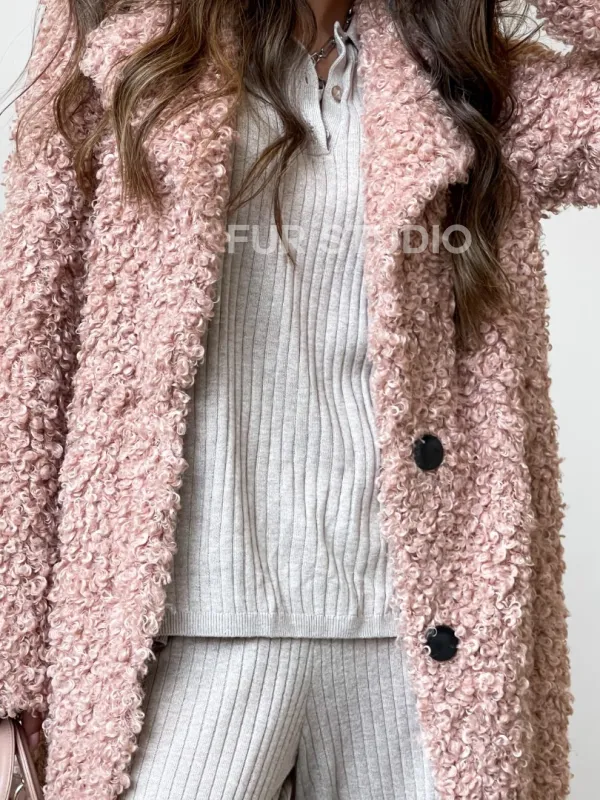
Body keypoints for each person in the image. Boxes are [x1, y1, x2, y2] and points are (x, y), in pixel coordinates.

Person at [0, 0, 594, 797]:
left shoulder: (465, 78)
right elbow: (28, 356)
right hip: (182, 639)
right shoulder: (122, 38)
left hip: (421, 654)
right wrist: (11, 673)